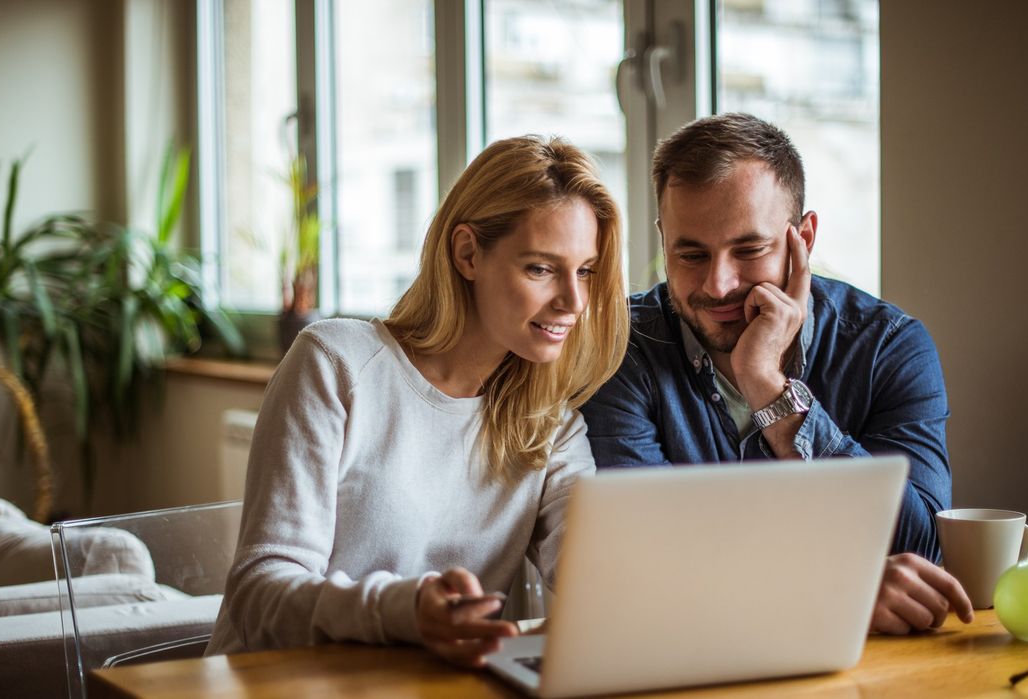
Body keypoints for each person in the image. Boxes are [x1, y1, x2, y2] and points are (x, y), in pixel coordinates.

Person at [206, 135, 629, 666]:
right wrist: (404, 612)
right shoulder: (336, 364)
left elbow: (591, 569)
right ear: (467, 253)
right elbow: (258, 593)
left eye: (585, 270)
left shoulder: (551, 423)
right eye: (541, 269)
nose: (574, 301)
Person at [579, 113, 974, 635]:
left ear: (803, 238)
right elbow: (642, 559)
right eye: (691, 254)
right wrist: (836, 588)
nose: (718, 285)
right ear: (663, 240)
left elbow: (919, 551)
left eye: (749, 250)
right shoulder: (619, 347)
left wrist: (769, 386)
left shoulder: (888, 347)